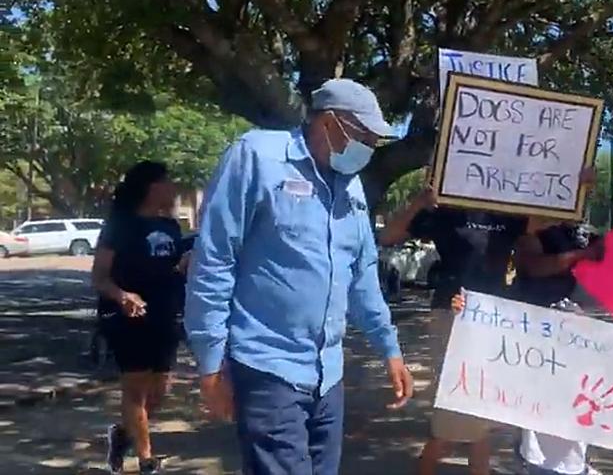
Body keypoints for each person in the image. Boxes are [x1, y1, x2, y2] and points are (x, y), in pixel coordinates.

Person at [184, 79, 414, 475]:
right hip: (267, 365)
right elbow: (214, 260)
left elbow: (362, 275)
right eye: (365, 136)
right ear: (329, 123)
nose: (370, 149)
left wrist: (389, 348)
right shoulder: (256, 157)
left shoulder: (351, 186)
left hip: (328, 375)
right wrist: (210, 363)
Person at [378, 186, 527, 475]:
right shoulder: (446, 208)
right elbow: (388, 236)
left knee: (481, 412)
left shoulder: (509, 208)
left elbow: (551, 220)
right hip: (452, 313)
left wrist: (578, 188)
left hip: (494, 319)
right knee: (453, 410)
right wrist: (419, 202)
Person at [511, 217, 613, 475]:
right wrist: (582, 255)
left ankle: (569, 463)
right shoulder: (532, 226)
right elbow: (533, 265)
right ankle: (536, 463)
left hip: (569, 328)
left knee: (573, 396)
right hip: (532, 327)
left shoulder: (577, 231)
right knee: (537, 405)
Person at [92, 161, 190, 475]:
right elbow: (99, 277)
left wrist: (184, 267)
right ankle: (147, 460)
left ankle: (122, 434)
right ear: (151, 187)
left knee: (159, 392)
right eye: (167, 181)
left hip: (165, 317)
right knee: (135, 390)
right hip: (128, 319)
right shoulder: (120, 225)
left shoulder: (171, 228)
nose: (173, 187)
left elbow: (170, 270)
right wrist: (123, 296)